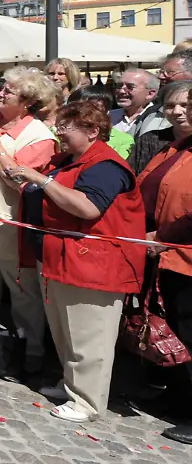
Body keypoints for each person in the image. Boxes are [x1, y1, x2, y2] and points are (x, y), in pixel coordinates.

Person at [15, 101, 145, 423]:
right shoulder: (69, 160)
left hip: (93, 266)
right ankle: (72, 386)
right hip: (61, 258)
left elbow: (88, 208)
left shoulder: (106, 166)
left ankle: (87, 402)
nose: (59, 132)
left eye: (66, 127)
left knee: (90, 336)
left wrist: (41, 180)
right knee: (66, 331)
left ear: (92, 131)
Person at [0, 66, 57, 374]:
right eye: (3, 88)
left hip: (11, 229)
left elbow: (22, 183)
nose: (0, 94)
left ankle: (30, 353)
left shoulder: (39, 136)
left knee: (24, 298)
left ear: (28, 101)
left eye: (8, 91)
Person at [138, 81, 192, 444]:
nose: (177, 111)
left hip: (184, 254)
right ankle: (179, 397)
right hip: (167, 257)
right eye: (171, 105)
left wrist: (162, 238)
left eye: (186, 104)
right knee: (178, 330)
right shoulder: (173, 147)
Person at [69, 84, 135, 160]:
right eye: (79, 108)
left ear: (106, 111)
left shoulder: (123, 140)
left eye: (95, 108)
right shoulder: (63, 136)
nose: (85, 112)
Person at [111, 68, 163, 138]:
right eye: (119, 86)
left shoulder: (161, 119)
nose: (121, 91)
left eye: (130, 87)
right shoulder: (106, 117)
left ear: (150, 94)